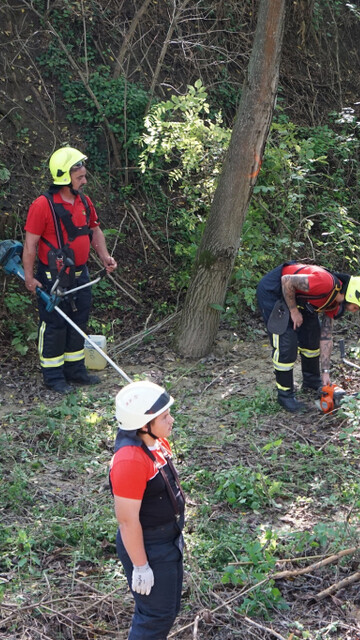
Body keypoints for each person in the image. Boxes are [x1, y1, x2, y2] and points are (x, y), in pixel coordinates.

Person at [22, 147, 118, 393]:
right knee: (54, 325)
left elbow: (94, 231)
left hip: (80, 274)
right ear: (64, 177)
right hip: (52, 277)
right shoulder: (42, 205)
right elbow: (31, 244)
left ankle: (75, 370)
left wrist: (105, 256)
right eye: (80, 177)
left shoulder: (84, 201)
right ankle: (53, 377)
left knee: (78, 320)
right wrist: (30, 277)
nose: (85, 181)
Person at [109, 380, 185, 640]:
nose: (171, 420)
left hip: (169, 539)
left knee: (168, 610)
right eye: (164, 417)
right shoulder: (129, 460)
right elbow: (128, 521)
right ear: (143, 424)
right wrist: (141, 566)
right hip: (150, 545)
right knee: (154, 616)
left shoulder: (156, 442)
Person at [256, 263, 360, 412]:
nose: (355, 311)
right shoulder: (325, 283)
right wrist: (293, 310)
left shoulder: (334, 303)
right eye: (357, 307)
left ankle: (311, 380)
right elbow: (287, 280)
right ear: (353, 295)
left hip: (301, 299)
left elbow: (326, 336)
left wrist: (325, 372)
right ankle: (285, 396)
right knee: (286, 344)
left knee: (312, 336)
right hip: (274, 291)